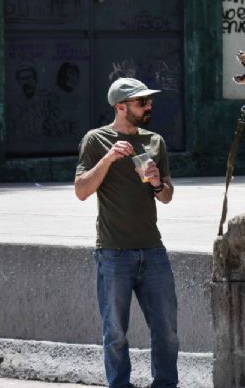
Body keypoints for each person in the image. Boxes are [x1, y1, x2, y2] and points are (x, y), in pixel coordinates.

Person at [74, 77, 178, 388]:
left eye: (149, 101)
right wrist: (108, 159)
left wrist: (158, 182)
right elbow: (81, 190)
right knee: (115, 332)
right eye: (141, 102)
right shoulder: (96, 140)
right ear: (121, 107)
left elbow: (168, 195)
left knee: (167, 331)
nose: (149, 106)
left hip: (153, 250)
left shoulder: (155, 141)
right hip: (113, 252)